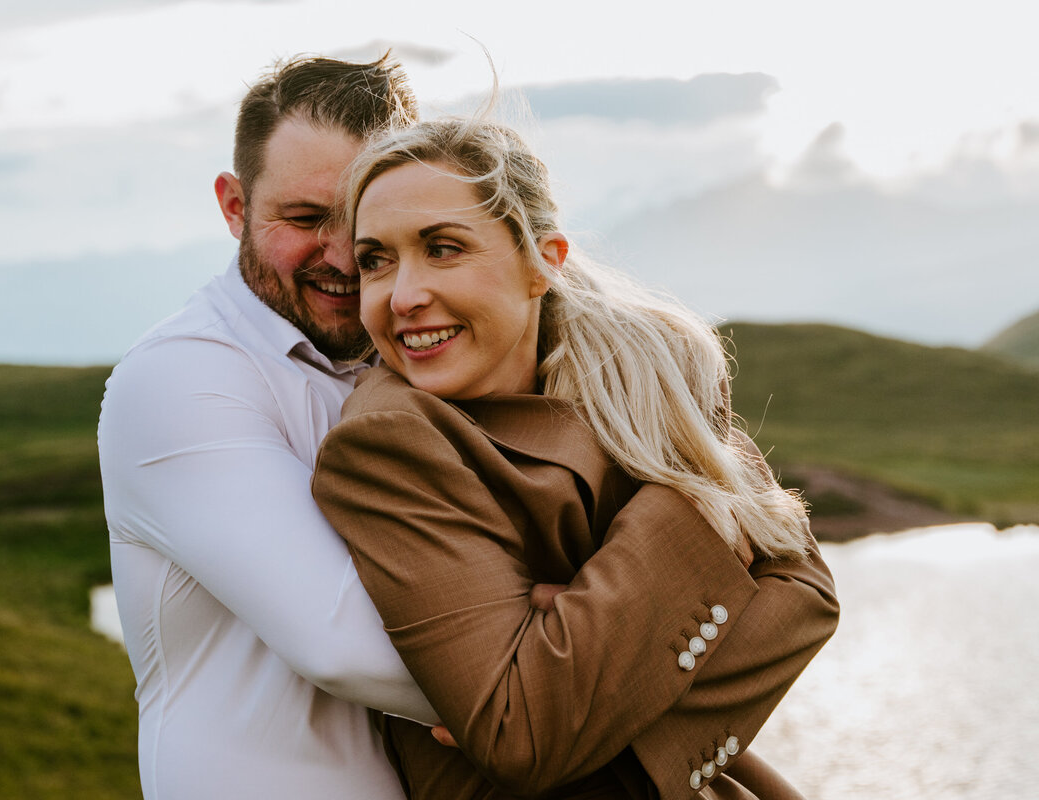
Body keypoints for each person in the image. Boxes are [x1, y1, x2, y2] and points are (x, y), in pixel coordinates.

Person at [311, 117, 840, 799]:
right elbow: (523, 731)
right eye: (375, 261)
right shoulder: (388, 442)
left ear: (542, 262)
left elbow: (806, 595)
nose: (404, 295)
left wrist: (591, 654)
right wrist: (696, 509)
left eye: (442, 248)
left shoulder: (651, 375)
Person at [97, 54, 440, 799]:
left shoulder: (421, 359)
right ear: (233, 205)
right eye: (306, 219)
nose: (345, 256)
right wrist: (584, 682)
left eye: (369, 220)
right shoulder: (179, 378)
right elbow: (345, 642)